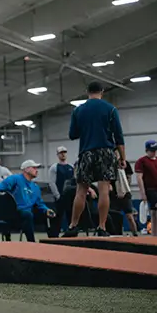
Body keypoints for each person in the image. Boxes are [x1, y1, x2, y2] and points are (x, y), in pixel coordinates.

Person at [63, 81, 125, 238]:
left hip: (86, 152)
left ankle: (73, 226)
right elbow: (119, 136)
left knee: (81, 191)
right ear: (102, 92)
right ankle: (102, 227)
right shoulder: (110, 109)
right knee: (104, 191)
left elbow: (72, 134)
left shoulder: (78, 110)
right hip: (106, 151)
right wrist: (122, 158)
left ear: (87, 92)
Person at [0, 160, 56, 242]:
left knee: (51, 215)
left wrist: (46, 210)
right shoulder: (16, 178)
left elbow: (40, 203)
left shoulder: (35, 187)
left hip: (28, 214)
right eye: (34, 168)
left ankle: (52, 241)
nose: (37, 170)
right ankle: (32, 242)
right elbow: (2, 185)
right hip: (15, 213)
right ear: (26, 169)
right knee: (27, 215)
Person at [135, 140, 157, 237]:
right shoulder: (141, 161)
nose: (154, 152)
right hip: (150, 189)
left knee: (154, 212)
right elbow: (139, 178)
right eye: (152, 150)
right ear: (147, 150)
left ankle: (154, 236)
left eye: (155, 150)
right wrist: (142, 193)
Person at [47, 147, 74, 237]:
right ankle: (54, 236)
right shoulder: (54, 167)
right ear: (58, 155)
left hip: (70, 197)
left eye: (64, 152)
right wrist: (57, 195)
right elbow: (52, 182)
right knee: (58, 217)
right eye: (61, 153)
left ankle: (71, 234)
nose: (63, 154)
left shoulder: (71, 167)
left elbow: (74, 181)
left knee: (70, 215)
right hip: (60, 196)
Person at [110, 161, 138, 236]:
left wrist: (124, 189)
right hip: (113, 194)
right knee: (115, 215)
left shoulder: (125, 163)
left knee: (129, 216)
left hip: (125, 193)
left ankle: (135, 234)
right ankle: (115, 233)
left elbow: (129, 178)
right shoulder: (109, 164)